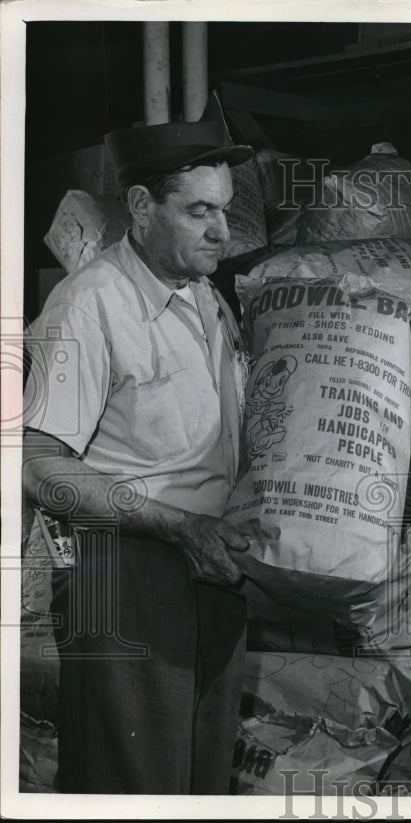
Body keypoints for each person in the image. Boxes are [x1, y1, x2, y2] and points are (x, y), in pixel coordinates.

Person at [21, 117, 259, 794]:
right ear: (141, 208)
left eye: (225, 210)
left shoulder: (206, 298)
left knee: (199, 781)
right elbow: (37, 462)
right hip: (123, 571)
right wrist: (177, 525)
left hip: (210, 566)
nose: (222, 231)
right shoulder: (91, 304)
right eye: (199, 212)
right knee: (129, 784)